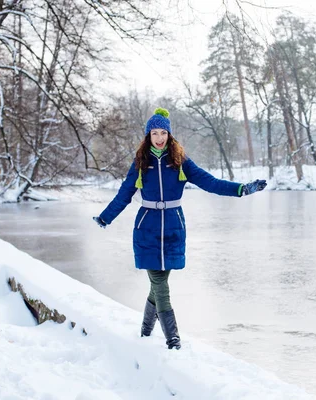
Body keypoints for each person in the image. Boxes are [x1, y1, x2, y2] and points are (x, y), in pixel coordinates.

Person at [93, 108, 267, 350]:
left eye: (163, 132)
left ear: (169, 134)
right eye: (154, 133)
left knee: (159, 283)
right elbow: (124, 194)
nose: (159, 137)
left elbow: (211, 182)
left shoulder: (180, 161)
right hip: (147, 228)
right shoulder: (141, 163)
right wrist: (105, 217)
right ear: (148, 136)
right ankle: (173, 341)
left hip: (174, 227)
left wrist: (242, 189)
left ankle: (144, 332)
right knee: (160, 285)